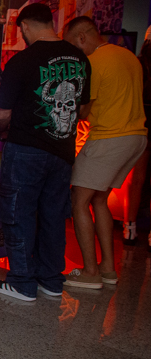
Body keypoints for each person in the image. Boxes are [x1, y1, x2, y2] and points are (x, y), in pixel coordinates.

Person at [0, 3, 91, 302]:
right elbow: (84, 108)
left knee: (18, 213)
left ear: (24, 26)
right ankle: (51, 280)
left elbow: (1, 115)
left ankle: (22, 282)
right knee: (53, 216)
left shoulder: (22, 61)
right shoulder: (79, 58)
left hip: (26, 150)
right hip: (63, 150)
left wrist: (0, 127)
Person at [62, 17, 146, 289]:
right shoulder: (128, 56)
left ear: (82, 38)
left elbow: (83, 111)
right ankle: (108, 269)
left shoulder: (94, 63)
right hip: (136, 137)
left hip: (110, 138)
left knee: (79, 199)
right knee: (99, 200)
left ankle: (90, 272)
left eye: (72, 45)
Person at [120, 36, 151, 247]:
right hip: (143, 120)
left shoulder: (137, 63)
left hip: (141, 121)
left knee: (135, 179)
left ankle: (129, 228)